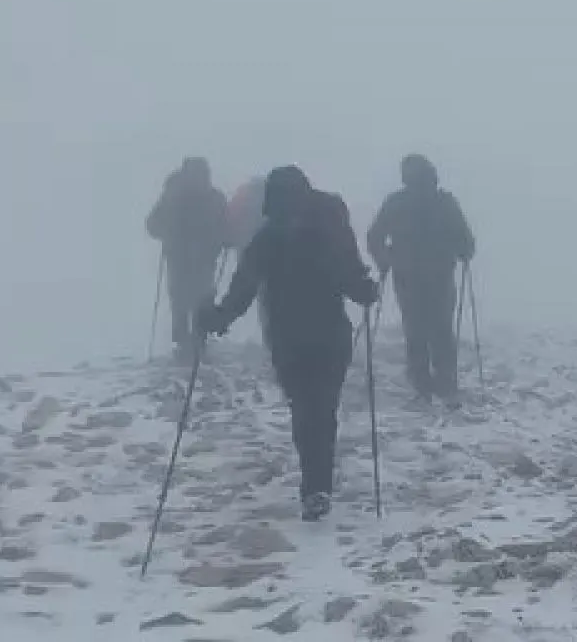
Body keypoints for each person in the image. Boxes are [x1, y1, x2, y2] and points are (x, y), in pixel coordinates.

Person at [197, 165, 378, 521]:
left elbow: (243, 288)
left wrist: (218, 317)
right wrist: (365, 291)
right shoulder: (326, 232)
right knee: (321, 409)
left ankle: (315, 486)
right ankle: (317, 485)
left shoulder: (268, 238)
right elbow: (351, 274)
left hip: (288, 338)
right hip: (328, 335)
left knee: (307, 410)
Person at [366, 153, 475, 402]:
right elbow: (465, 239)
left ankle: (423, 385)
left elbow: (375, 237)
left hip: (409, 277)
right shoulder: (445, 203)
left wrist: (385, 259)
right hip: (437, 276)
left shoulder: (397, 203)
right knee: (440, 330)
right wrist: (465, 250)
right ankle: (445, 384)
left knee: (416, 330)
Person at [145, 156, 228, 362]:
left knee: (192, 301)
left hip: (194, 259)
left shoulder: (206, 198)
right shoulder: (176, 197)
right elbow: (153, 225)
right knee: (186, 302)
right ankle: (190, 346)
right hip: (186, 260)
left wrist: (224, 238)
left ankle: (192, 346)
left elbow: (153, 225)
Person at [226, 175, 271, 347]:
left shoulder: (242, 200)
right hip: (270, 253)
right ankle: (270, 335)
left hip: (245, 250)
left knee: (252, 290)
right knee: (267, 295)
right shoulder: (271, 198)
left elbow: (230, 223)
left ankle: (268, 335)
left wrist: (229, 239)